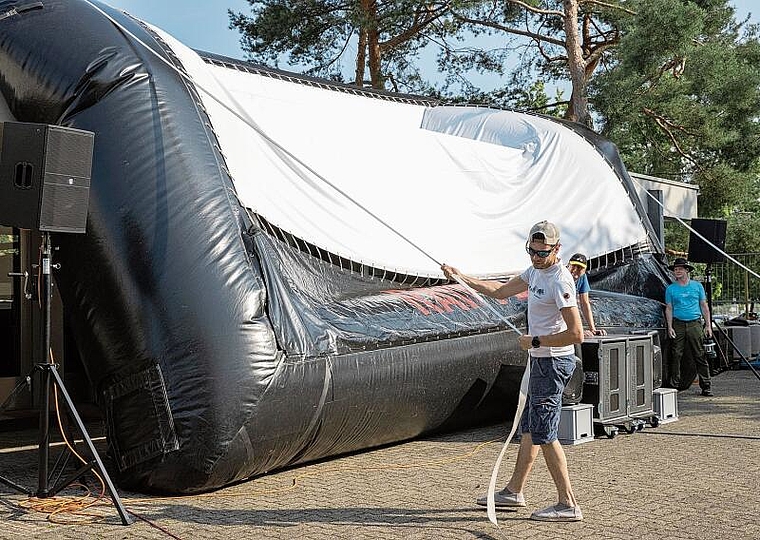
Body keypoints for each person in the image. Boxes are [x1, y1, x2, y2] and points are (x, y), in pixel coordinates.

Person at [441, 220, 584, 522]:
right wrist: (460, 277)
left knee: (544, 433)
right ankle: (514, 491)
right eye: (531, 251)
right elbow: (499, 291)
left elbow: (576, 334)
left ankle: (568, 504)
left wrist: (535, 340)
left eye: (542, 253)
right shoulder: (534, 272)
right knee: (530, 429)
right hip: (541, 360)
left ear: (557, 250)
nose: (535, 257)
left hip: (553, 362)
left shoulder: (560, 281)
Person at [664, 257, 714, 396]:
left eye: (680, 269)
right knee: (676, 354)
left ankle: (706, 386)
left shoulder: (697, 286)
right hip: (678, 323)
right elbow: (669, 308)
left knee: (700, 354)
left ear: (687, 270)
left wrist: (708, 325)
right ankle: (675, 385)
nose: (677, 271)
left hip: (694, 323)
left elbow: (704, 306)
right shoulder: (671, 289)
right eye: (675, 269)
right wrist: (670, 327)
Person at [567, 253, 607, 338]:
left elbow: (584, 303)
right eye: (573, 266)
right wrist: (578, 330)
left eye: (579, 268)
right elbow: (565, 307)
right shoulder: (563, 277)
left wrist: (592, 329)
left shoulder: (582, 277)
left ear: (585, 270)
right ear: (568, 265)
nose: (575, 270)